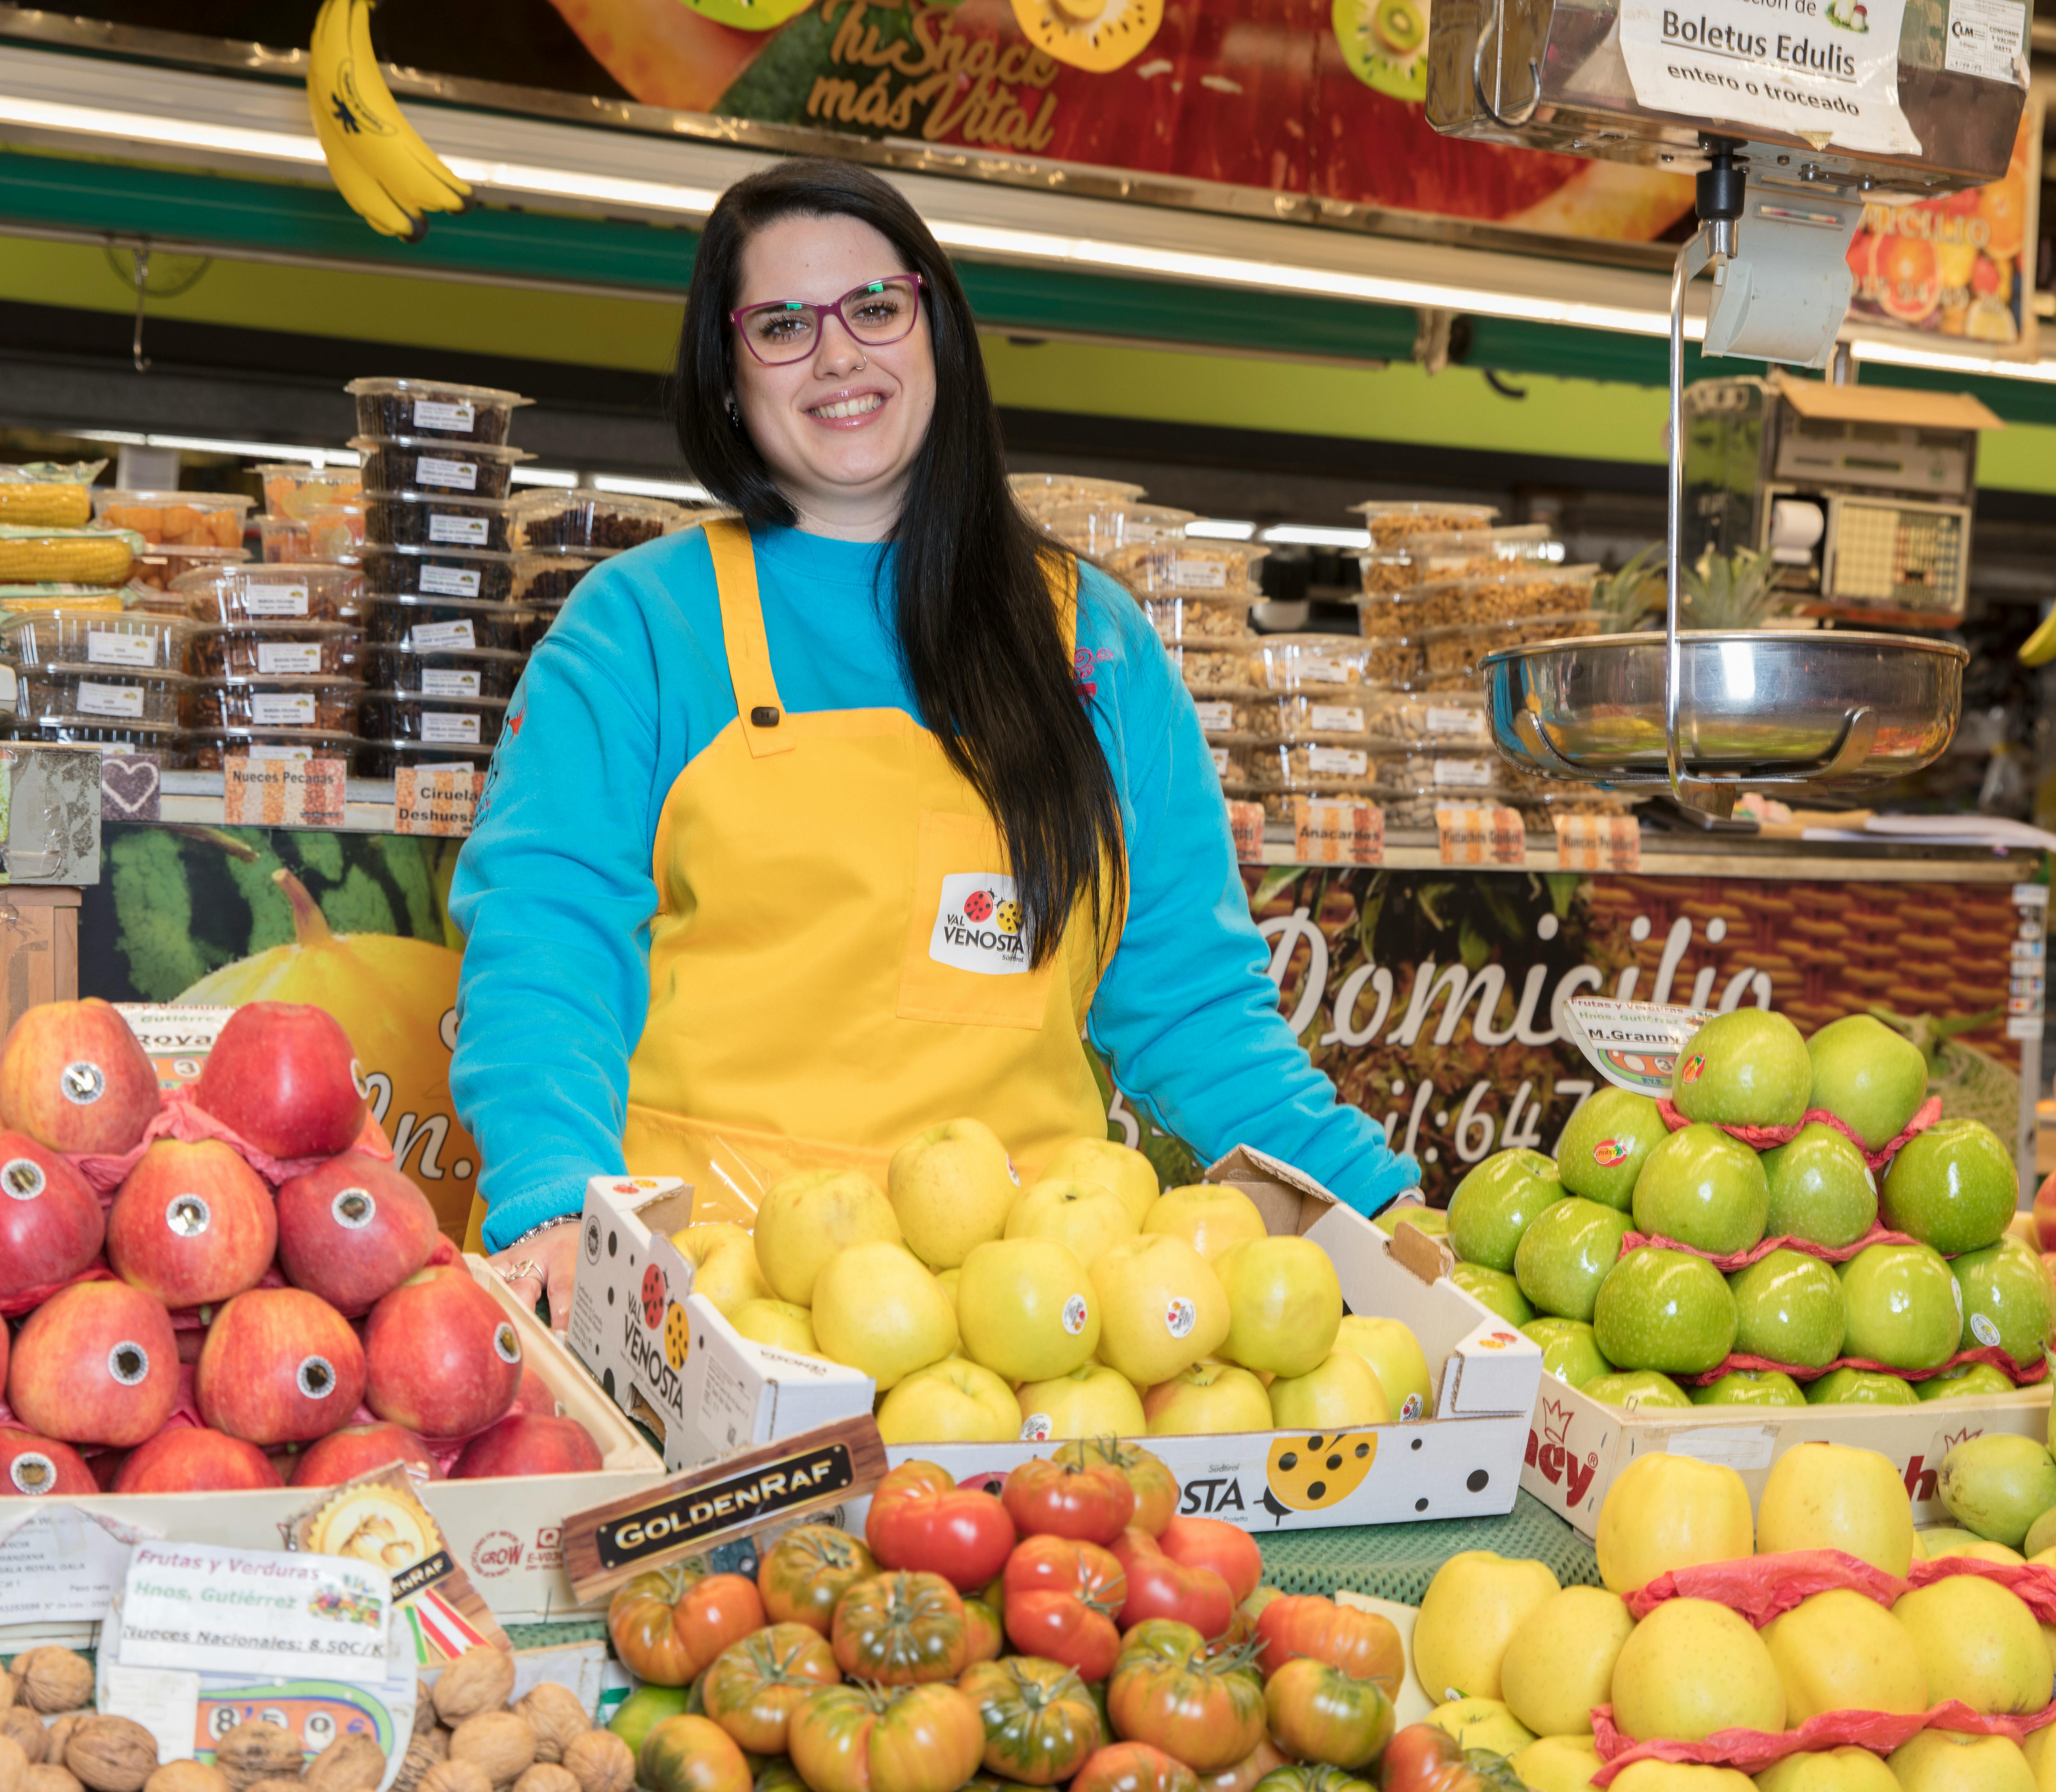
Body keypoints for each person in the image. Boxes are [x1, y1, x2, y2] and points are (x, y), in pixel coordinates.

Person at [450, 157, 1415, 1295]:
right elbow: (545, 938)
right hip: (696, 1294)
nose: (838, 353)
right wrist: (556, 1203)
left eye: (874, 307)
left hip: (1020, 1319)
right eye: (781, 326)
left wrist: (1377, 1199)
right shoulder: (641, 626)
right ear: (726, 378)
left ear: (937, 332)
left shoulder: (1090, 644)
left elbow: (1193, 1000)